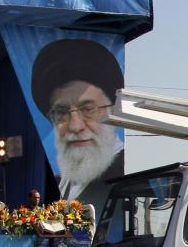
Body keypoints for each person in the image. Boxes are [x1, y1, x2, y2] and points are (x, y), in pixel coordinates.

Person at [31, 39, 124, 216]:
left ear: (112, 109)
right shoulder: (60, 182)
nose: (75, 126)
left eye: (88, 109)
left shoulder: (125, 178)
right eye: (62, 112)